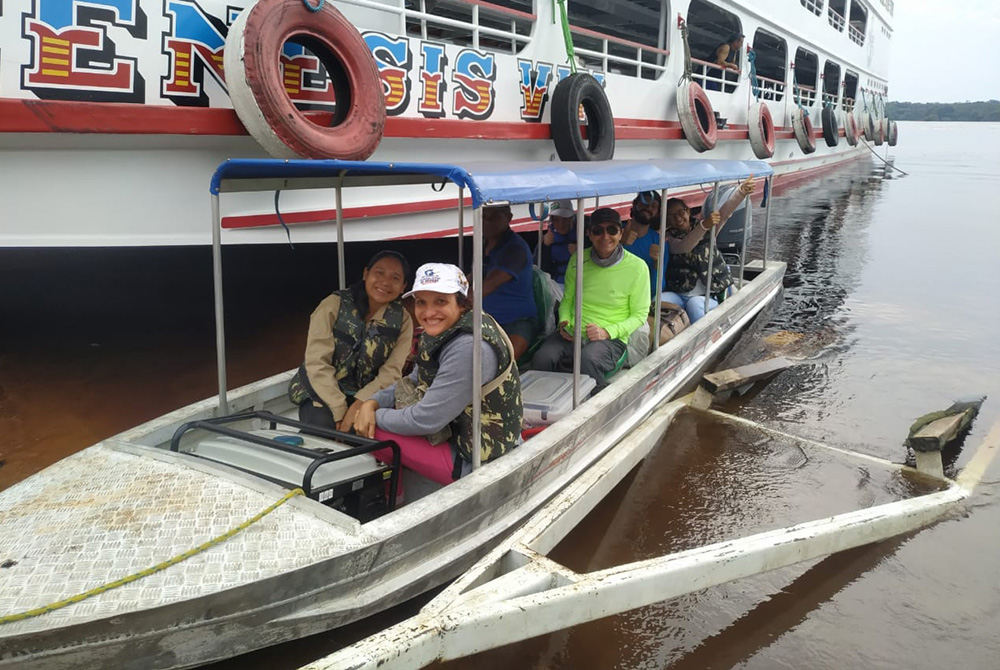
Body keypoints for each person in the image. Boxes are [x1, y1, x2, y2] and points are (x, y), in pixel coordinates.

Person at [353, 263, 522, 486]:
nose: (429, 312)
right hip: (463, 431)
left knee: (371, 432)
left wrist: (372, 416)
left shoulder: (468, 347)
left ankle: (396, 495)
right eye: (421, 302)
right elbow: (414, 378)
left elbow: (427, 420)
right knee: (374, 416)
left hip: (478, 459)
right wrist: (371, 403)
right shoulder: (447, 329)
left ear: (461, 304)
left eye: (441, 301)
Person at [291, 251, 414, 431]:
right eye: (379, 273)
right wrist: (339, 408)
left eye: (395, 278)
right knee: (322, 428)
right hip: (322, 389)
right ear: (366, 274)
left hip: (368, 393)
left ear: (403, 286)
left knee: (364, 434)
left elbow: (392, 371)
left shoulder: (403, 319)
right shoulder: (334, 304)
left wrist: (361, 402)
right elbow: (317, 362)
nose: (385, 282)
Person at [531, 208, 650, 390]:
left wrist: (607, 332)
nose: (605, 236)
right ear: (589, 234)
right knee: (542, 358)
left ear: (620, 233)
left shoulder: (638, 267)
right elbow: (568, 300)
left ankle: (596, 404)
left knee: (588, 359)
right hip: (573, 333)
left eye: (611, 230)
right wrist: (564, 322)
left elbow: (640, 314)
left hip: (612, 338)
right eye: (598, 230)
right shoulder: (578, 259)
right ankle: (547, 406)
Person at [662, 176, 756, 322]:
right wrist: (704, 226)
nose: (678, 218)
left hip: (709, 293)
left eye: (680, 212)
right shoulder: (669, 238)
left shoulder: (707, 227)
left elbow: (724, 213)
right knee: (658, 300)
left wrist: (741, 192)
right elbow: (684, 246)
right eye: (671, 216)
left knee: (694, 305)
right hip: (680, 293)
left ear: (688, 211)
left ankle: (703, 339)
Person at [480, 204, 537, 359]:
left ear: (509, 218)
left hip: (516, 322)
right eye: (484, 217)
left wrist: (460, 302)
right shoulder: (483, 243)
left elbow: (490, 284)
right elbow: (473, 276)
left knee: (501, 361)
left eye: (495, 217)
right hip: (484, 319)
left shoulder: (515, 249)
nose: (488, 222)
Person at [622, 190, 668, 296]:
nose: (648, 208)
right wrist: (620, 245)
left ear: (658, 212)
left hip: (642, 297)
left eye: (653, 206)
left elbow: (657, 289)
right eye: (644, 203)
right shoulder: (614, 233)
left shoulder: (660, 242)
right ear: (634, 205)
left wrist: (657, 263)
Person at [542, 199, 577, 284]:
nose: (561, 224)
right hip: (556, 285)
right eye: (556, 219)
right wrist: (545, 246)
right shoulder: (548, 237)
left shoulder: (584, 233)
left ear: (572, 218)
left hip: (579, 283)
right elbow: (540, 268)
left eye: (565, 219)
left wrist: (581, 252)